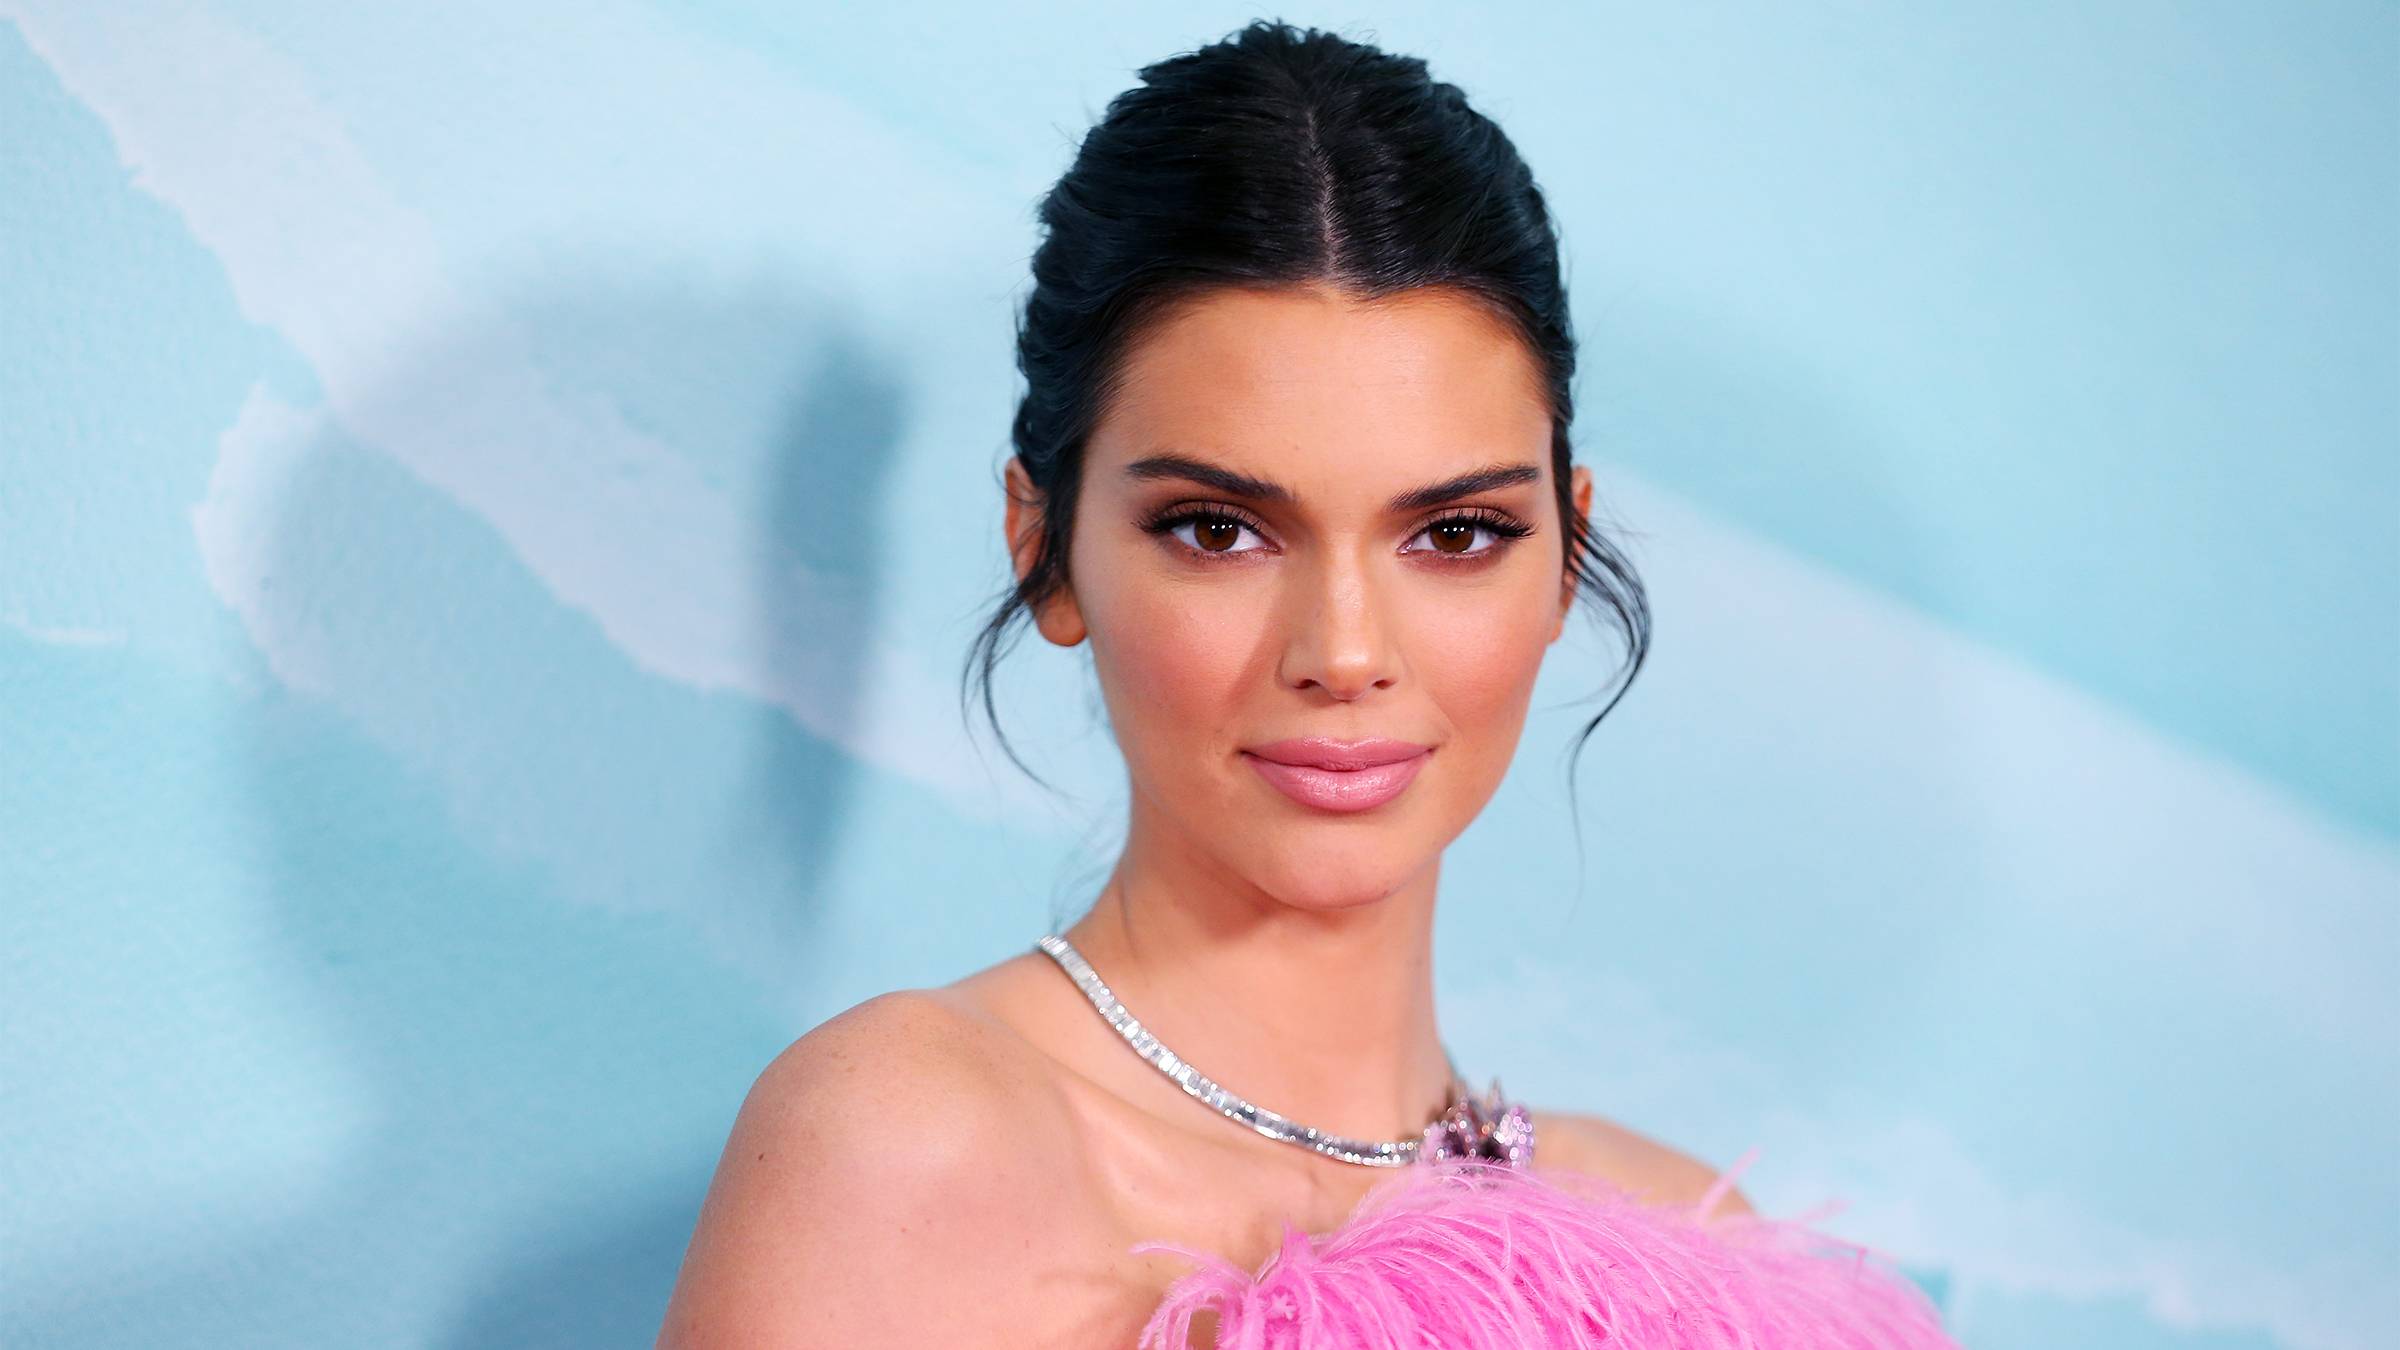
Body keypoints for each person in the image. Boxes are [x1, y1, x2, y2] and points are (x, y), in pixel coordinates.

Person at [658, 20, 1960, 1348]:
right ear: (1044, 548)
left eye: (1456, 534)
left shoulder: (1693, 1256)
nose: (1343, 652)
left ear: (1566, 555)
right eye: (1218, 529)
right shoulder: (912, 1147)